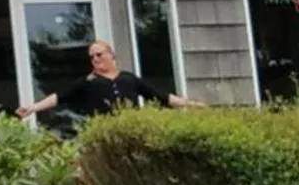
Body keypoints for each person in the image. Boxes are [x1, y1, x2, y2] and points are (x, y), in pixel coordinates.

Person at [16, 38, 193, 125]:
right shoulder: (88, 82)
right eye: (92, 56)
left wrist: (190, 105)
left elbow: (161, 96)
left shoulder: (129, 79)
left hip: (131, 131)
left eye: (99, 54)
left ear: (111, 55)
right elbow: (58, 97)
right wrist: (32, 108)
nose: (95, 59)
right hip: (102, 135)